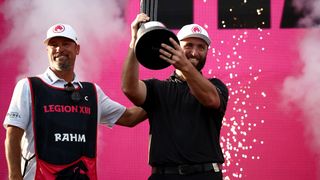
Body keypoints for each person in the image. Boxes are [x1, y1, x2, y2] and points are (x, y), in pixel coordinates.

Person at [3, 23, 147, 180]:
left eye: (65, 43)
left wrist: (163, 94)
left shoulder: (92, 92)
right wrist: (15, 176)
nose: (59, 49)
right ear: (47, 50)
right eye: (54, 44)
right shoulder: (29, 86)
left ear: (77, 49)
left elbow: (129, 117)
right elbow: (12, 136)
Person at [122, 13, 229, 180]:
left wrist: (184, 65)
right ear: (176, 46)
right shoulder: (159, 88)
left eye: (201, 47)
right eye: (189, 45)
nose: (194, 52)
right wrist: (135, 42)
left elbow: (211, 99)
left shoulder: (216, 86)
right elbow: (130, 88)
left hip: (205, 175)